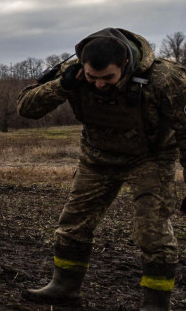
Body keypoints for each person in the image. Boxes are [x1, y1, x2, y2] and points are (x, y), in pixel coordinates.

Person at [17, 27, 186, 310]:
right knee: (73, 223)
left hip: (150, 158)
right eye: (92, 77)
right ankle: (65, 288)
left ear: (125, 64)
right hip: (97, 157)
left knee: (153, 233)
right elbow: (26, 107)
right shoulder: (71, 73)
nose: (99, 85)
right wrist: (62, 86)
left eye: (108, 78)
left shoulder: (166, 78)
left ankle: (156, 303)